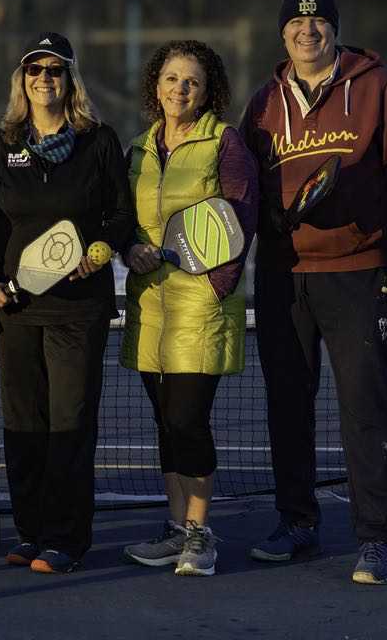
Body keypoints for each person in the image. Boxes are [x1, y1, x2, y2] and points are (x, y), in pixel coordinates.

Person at [240, 0, 387, 585]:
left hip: (356, 274)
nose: (307, 31)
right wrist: (261, 216)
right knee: (288, 407)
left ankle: (378, 538)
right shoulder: (263, 104)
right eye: (295, 24)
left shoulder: (375, 88)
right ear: (283, 33)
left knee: (365, 406)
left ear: (334, 28)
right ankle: (297, 523)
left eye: (317, 21)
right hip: (282, 276)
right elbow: (242, 184)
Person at [0, 32, 135, 573]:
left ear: (71, 80)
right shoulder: (1, 146)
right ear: (22, 81)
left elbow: (121, 215)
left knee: (70, 425)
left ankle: (66, 538)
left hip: (78, 310)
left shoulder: (99, 141)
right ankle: (31, 530)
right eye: (34, 71)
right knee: (24, 425)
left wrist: (102, 247)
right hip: (17, 310)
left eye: (55, 70)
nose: (44, 79)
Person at [119, 41, 258, 577]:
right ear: (156, 86)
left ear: (208, 91)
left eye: (192, 81)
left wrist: (217, 285)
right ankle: (177, 530)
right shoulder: (138, 148)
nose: (180, 89)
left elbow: (240, 217)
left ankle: (201, 534)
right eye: (172, 78)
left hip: (201, 303)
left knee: (188, 418)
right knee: (164, 422)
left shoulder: (224, 141)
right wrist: (132, 248)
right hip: (150, 301)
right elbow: (128, 220)